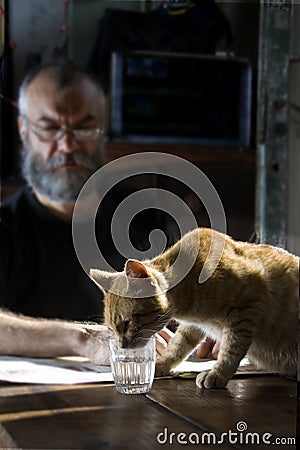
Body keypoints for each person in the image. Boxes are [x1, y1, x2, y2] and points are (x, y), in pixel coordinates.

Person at [0, 60, 174, 360]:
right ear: (23, 130)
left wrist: (212, 329)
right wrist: (83, 339)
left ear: (102, 130)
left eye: (83, 127)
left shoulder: (149, 219)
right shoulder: (5, 228)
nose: (68, 145)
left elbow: (190, 305)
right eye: (49, 128)